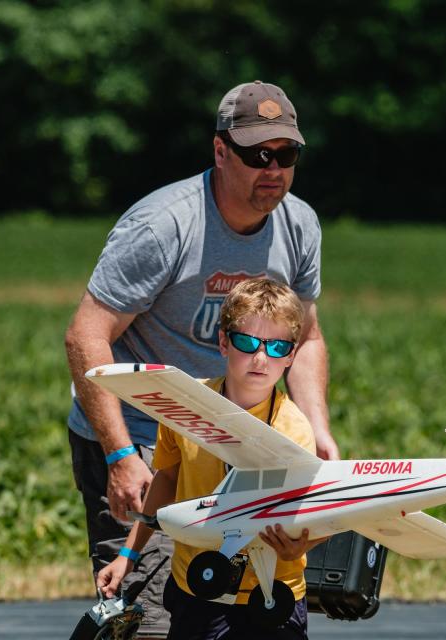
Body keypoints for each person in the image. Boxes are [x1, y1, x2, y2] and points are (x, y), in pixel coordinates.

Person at [64, 80, 337, 638]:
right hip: (144, 433)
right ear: (219, 151)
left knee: (244, 610)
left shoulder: (300, 225)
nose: (274, 169)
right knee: (154, 615)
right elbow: (85, 335)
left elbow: (305, 338)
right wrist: (119, 455)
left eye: (286, 155)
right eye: (258, 155)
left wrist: (317, 434)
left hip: (244, 438)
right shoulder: (164, 225)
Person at [96, 278, 322, 639]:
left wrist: (303, 544)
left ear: (291, 356)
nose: (261, 358)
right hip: (198, 585)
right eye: (247, 343)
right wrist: (128, 555)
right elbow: (165, 481)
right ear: (223, 342)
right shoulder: (186, 407)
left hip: (272, 592)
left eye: (277, 347)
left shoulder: (293, 429)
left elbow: (315, 508)